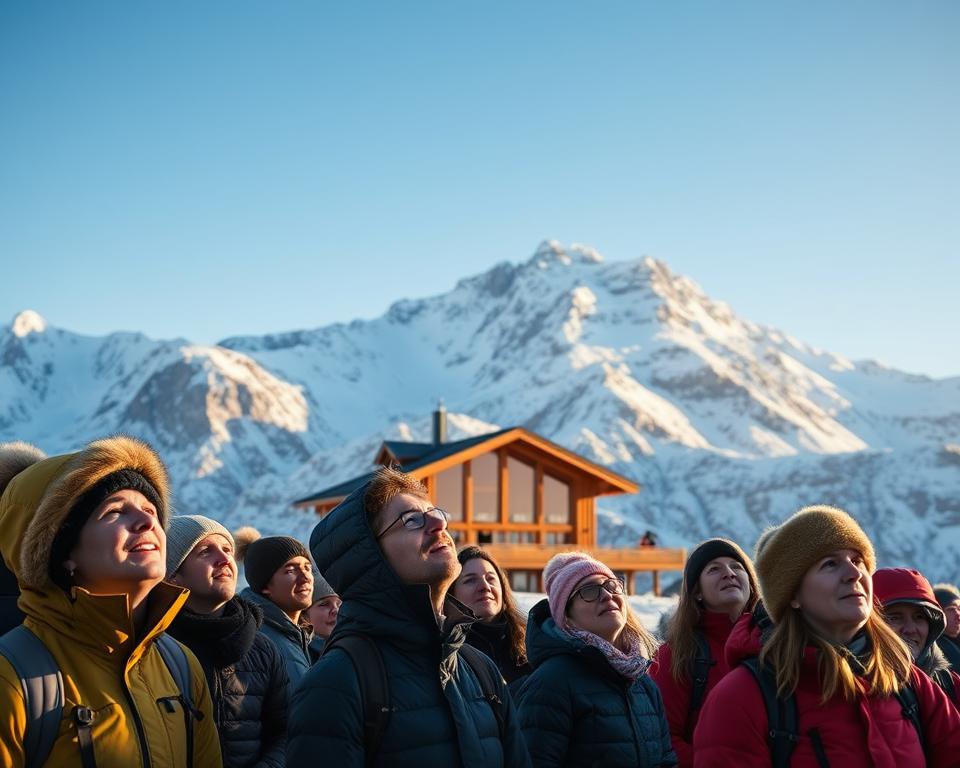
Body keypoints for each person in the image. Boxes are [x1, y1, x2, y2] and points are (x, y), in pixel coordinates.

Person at [287, 466, 531, 768]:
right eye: (412, 520)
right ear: (370, 557)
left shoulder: (480, 669)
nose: (438, 524)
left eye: (435, 513)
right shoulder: (336, 683)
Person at [0, 437, 221, 767]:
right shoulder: (13, 675)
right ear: (61, 553)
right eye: (115, 512)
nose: (148, 522)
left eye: (150, 510)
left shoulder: (180, 665)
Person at [694, 505, 960, 767]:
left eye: (857, 561)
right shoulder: (740, 699)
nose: (854, 573)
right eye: (831, 564)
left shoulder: (907, 682)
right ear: (793, 595)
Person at [516, 551, 677, 767]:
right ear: (566, 615)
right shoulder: (551, 683)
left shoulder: (642, 681)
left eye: (611, 585)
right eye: (589, 590)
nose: (607, 595)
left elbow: (666, 760)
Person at [165, 514, 290, 767]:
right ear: (173, 575)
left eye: (226, 550)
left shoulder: (262, 648)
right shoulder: (156, 646)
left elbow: (286, 732)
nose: (224, 559)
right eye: (204, 552)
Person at [650, 538, 759, 766]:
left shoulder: (779, 646)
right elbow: (663, 737)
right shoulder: (676, 656)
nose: (729, 573)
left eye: (737, 566)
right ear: (697, 592)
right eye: (714, 569)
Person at [235, 527, 314, 689]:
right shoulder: (255, 640)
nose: (305, 577)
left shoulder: (295, 635)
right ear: (265, 586)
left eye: (307, 567)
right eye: (290, 570)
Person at [873, 567, 960, 705]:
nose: (910, 629)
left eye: (919, 617)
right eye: (895, 617)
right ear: (872, 623)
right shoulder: (857, 688)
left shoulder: (950, 685)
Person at [450, 545, 532, 687]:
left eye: (491, 579)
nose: (485, 586)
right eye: (470, 580)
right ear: (452, 594)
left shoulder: (531, 644)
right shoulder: (447, 653)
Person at [305, 568, 340, 661]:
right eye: (324, 604)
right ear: (303, 615)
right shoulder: (301, 654)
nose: (335, 610)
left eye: (339, 604)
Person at [933, 582, 960, 669]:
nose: (958, 614)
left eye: (959, 608)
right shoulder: (935, 650)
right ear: (938, 613)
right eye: (951, 609)